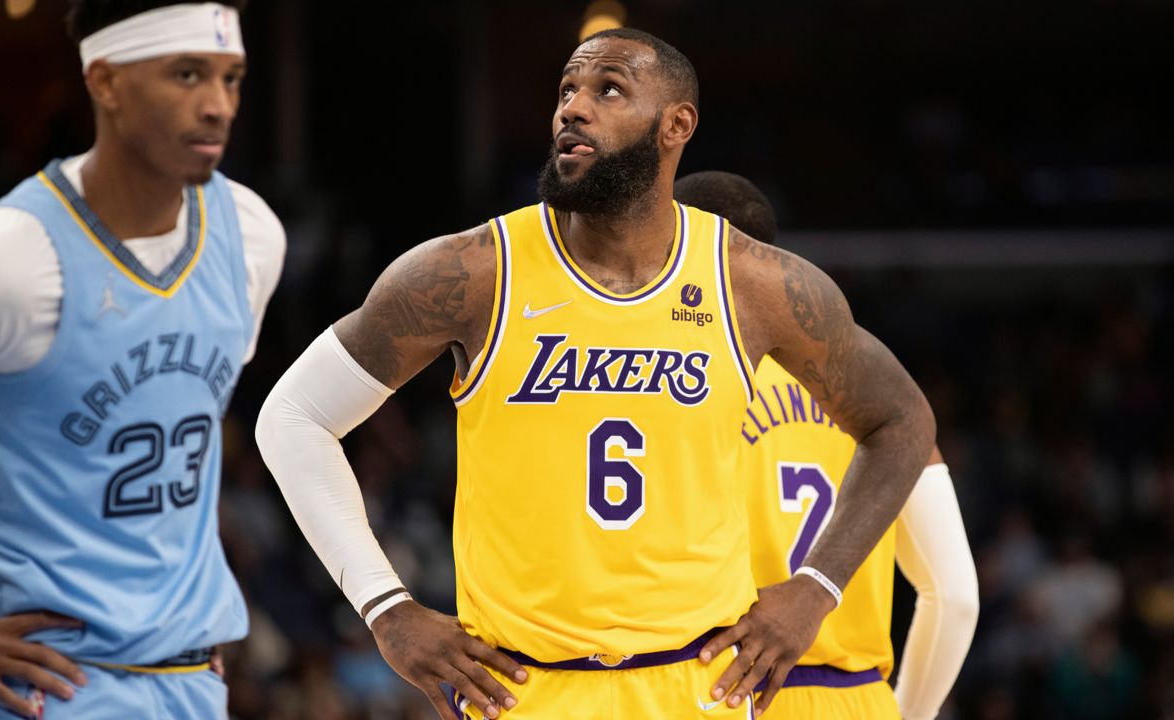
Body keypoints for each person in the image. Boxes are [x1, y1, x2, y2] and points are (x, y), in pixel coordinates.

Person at [255, 28, 934, 720]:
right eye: (566, 92)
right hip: (523, 689)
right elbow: (292, 418)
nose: (572, 109)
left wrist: (816, 586)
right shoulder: (473, 273)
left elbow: (902, 419)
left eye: (608, 90)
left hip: (696, 685)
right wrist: (385, 607)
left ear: (677, 125)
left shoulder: (754, 285)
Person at [0, 2, 285, 718]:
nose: (218, 107)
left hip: (192, 683)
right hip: (48, 688)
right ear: (106, 82)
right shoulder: (9, 256)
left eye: (232, 78)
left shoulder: (251, 234)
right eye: (187, 75)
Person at [674, 170, 979, 719]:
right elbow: (956, 596)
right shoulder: (873, 392)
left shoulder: (668, 384)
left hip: (716, 692)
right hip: (857, 696)